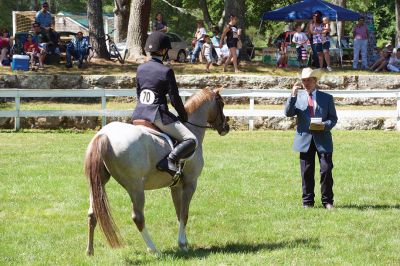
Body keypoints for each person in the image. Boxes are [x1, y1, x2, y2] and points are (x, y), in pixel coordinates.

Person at [132, 32, 197, 177]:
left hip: (138, 114)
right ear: (163, 51)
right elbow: (174, 99)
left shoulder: (140, 68)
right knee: (192, 139)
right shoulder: (166, 71)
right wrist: (183, 116)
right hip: (157, 115)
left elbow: (139, 93)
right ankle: (170, 160)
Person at [284, 68, 338, 210]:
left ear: (315, 81)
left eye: (309, 80)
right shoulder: (298, 98)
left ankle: (327, 201)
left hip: (323, 139)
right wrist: (292, 95)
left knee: (326, 170)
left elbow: (333, 118)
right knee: (306, 172)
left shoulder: (327, 98)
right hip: (305, 141)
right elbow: (288, 113)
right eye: (304, 80)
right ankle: (307, 202)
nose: (306, 83)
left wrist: (324, 125)